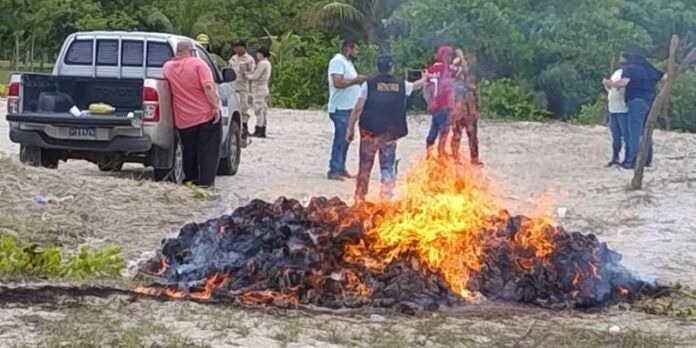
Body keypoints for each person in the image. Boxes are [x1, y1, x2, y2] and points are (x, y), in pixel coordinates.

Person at [346, 55, 428, 202]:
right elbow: (415, 86)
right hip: (389, 134)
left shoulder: (368, 84)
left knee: (365, 166)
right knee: (387, 167)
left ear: (378, 68)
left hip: (369, 132)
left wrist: (350, 128)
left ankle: (360, 197)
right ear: (391, 68)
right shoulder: (400, 84)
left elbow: (358, 107)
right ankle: (385, 198)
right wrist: (424, 79)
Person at [163, 40, 222, 187]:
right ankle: (207, 183)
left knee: (189, 152)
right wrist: (215, 107)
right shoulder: (198, 64)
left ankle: (190, 180)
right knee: (208, 151)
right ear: (191, 50)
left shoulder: (167, 68)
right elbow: (208, 86)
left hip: (183, 120)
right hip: (205, 116)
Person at [605, 53, 664, 169]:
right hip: (651, 102)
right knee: (646, 130)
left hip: (636, 101)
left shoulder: (629, 69)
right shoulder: (650, 69)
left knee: (634, 133)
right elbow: (666, 77)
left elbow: (624, 83)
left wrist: (610, 83)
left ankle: (631, 160)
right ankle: (647, 159)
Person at [327, 40, 367, 181]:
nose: (357, 53)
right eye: (355, 49)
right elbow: (337, 82)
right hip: (340, 108)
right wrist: (356, 81)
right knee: (340, 139)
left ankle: (341, 168)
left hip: (349, 108)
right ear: (348, 49)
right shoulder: (337, 61)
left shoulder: (347, 63)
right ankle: (334, 169)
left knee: (346, 138)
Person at [450, 51, 483, 166]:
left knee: (473, 137)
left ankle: (474, 159)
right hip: (458, 111)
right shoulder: (455, 76)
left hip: (470, 112)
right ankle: (455, 158)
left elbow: (476, 93)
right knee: (456, 136)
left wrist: (477, 108)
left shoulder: (472, 78)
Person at [424, 45, 457, 158]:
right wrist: (461, 57)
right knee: (444, 132)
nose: (450, 58)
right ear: (444, 56)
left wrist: (429, 102)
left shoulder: (430, 69)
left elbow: (426, 88)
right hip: (444, 105)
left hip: (435, 106)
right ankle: (441, 155)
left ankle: (428, 154)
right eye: (449, 55)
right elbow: (462, 70)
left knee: (434, 129)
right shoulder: (447, 69)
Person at [228, 39, 255, 144]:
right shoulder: (233, 58)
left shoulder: (249, 60)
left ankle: (244, 130)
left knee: (243, 108)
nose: (236, 49)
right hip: (232, 86)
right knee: (234, 109)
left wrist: (246, 74)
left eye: (238, 47)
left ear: (243, 47)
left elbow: (253, 73)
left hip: (243, 87)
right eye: (235, 47)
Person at [602, 62, 629, 167]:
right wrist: (608, 84)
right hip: (612, 108)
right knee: (615, 136)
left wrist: (612, 84)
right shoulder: (617, 72)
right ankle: (615, 157)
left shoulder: (628, 74)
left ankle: (628, 158)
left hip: (623, 109)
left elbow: (622, 85)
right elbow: (611, 87)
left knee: (626, 135)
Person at [244, 46, 272, 138]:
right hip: (264, 88)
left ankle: (259, 129)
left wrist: (246, 75)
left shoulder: (263, 63)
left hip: (259, 88)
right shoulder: (267, 63)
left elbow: (256, 76)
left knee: (258, 109)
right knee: (263, 110)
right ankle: (262, 129)